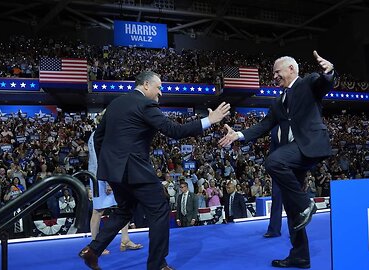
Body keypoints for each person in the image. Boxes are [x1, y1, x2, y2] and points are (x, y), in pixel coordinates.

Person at [79, 70, 231, 270]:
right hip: (134, 169)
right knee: (160, 210)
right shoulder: (145, 104)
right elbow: (174, 131)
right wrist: (209, 121)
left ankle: (92, 250)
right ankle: (157, 265)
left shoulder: (115, 103)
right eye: (158, 87)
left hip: (113, 170)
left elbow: (98, 139)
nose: (160, 93)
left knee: (125, 210)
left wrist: (107, 168)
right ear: (146, 85)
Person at [219, 51, 335, 269]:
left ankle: (306, 203)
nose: (274, 76)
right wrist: (238, 135)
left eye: (277, 72)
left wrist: (329, 72)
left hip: (310, 146)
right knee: (292, 209)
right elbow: (264, 126)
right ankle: (300, 255)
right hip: (294, 154)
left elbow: (324, 83)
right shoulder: (278, 101)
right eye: (273, 73)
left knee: (273, 161)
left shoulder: (308, 83)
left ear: (291, 69)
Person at [87, 111, 143, 256]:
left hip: (112, 176)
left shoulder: (111, 134)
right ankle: (95, 246)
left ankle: (125, 239)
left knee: (123, 207)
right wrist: (107, 182)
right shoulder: (97, 135)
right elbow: (97, 161)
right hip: (100, 177)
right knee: (98, 211)